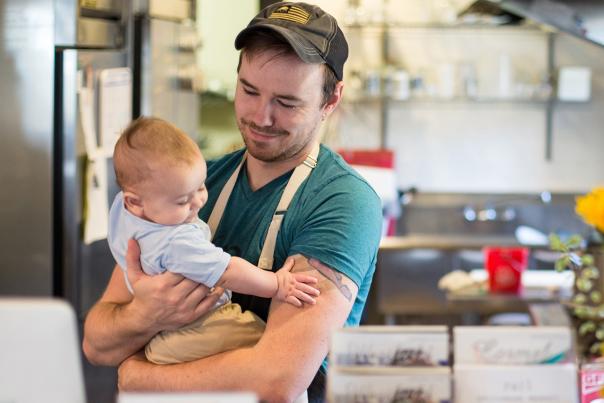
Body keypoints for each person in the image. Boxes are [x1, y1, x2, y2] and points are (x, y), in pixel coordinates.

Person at [82, 2, 383, 402]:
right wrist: (146, 314)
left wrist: (138, 377)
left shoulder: (341, 203)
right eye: (249, 90)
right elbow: (97, 343)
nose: (262, 116)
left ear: (331, 100)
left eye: (287, 102)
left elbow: (276, 380)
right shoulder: (190, 189)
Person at [107, 116, 319, 364]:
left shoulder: (124, 211)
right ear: (135, 202)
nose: (197, 202)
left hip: (163, 329)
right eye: (182, 200)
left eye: (200, 187)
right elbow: (228, 270)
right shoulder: (176, 241)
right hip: (201, 325)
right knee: (267, 344)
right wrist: (277, 285)